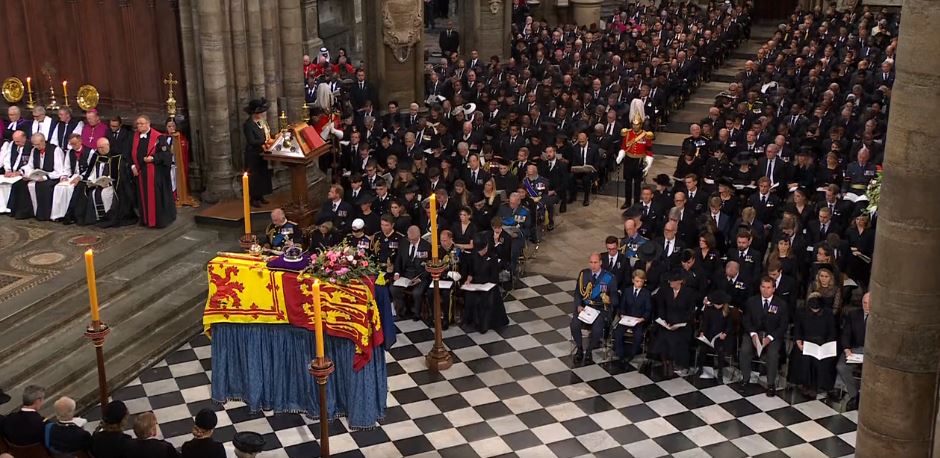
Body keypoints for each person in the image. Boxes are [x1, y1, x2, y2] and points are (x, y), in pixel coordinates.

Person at [738, 277, 789, 397]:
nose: (765, 290)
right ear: (759, 287)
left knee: (772, 354)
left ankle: (771, 384)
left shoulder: (781, 304)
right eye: (763, 287)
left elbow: (783, 326)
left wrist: (769, 338)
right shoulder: (751, 301)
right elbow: (746, 320)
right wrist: (753, 334)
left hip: (773, 336)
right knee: (745, 350)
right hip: (753, 333)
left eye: (768, 287)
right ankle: (745, 379)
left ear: (774, 289)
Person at [569, 253, 619, 364]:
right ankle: (580, 349)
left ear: (600, 263)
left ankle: (589, 351)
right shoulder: (584, 274)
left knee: (597, 329)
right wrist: (578, 305)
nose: (593, 265)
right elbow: (578, 293)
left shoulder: (609, 278)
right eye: (591, 262)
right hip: (585, 307)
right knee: (574, 324)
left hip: (600, 309)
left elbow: (615, 298)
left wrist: (609, 299)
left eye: (595, 262)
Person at [788, 294, 838, 399]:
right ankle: (805, 384)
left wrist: (826, 345)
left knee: (824, 360)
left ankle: (822, 386)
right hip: (806, 342)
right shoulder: (801, 312)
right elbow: (798, 329)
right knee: (802, 357)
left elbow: (832, 332)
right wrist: (798, 341)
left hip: (823, 343)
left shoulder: (828, 314)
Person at [131, 115, 176, 228]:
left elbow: (166, 155)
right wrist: (133, 166)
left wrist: (154, 158)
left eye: (142, 124)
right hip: (141, 172)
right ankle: (145, 219)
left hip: (155, 173)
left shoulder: (158, 137)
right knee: (142, 197)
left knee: (155, 197)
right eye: (138, 124)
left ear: (148, 124)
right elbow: (129, 153)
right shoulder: (135, 136)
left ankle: (157, 221)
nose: (139, 126)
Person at [652, 269, 696, 377]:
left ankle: (681, 364)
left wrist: (679, 323)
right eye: (670, 280)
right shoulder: (665, 290)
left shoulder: (689, 293)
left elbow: (690, 312)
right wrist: (664, 320)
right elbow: (661, 307)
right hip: (667, 322)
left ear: (680, 281)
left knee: (679, 338)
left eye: (673, 281)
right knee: (662, 334)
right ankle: (665, 361)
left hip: (682, 324)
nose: (670, 283)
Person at [14, 132, 68, 221]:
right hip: (37, 176)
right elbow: (30, 165)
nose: (37, 147)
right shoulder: (34, 150)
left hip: (52, 176)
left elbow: (59, 171)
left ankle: (43, 215)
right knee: (20, 184)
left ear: (43, 141)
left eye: (38, 144)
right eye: (34, 145)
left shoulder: (55, 150)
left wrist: (45, 177)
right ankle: (26, 212)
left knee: (43, 186)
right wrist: (25, 173)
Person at [461, 234, 508, 333]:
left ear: (486, 247)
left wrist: (485, 284)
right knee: (469, 296)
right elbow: (471, 272)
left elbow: (494, 277)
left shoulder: (493, 257)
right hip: (476, 283)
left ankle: (484, 324)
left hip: (489, 284)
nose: (480, 253)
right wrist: (468, 280)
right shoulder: (473, 255)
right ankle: (470, 321)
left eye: (482, 250)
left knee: (486, 299)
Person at [836, 292, 869, 410]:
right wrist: (846, 349)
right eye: (865, 303)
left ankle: (868, 399)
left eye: (870, 303)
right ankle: (854, 395)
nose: (867, 306)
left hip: (872, 352)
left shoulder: (880, 318)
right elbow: (846, 333)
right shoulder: (853, 314)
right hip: (855, 349)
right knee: (841, 366)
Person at [51, 133, 95, 222]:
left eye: (75, 144)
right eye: (71, 144)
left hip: (85, 176)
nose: (73, 146)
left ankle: (70, 214)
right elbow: (67, 167)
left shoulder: (90, 152)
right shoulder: (70, 152)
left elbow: (91, 168)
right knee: (58, 187)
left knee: (70, 188)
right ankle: (58, 214)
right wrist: (64, 176)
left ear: (80, 141)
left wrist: (80, 177)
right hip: (72, 176)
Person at [612, 269, 652, 366]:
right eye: (637, 281)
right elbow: (622, 306)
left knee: (638, 336)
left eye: (641, 281)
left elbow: (648, 310)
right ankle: (620, 355)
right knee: (618, 333)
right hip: (626, 319)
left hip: (638, 320)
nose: (639, 283)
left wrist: (642, 318)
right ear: (633, 280)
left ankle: (631, 355)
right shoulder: (627, 291)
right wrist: (622, 314)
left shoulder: (646, 294)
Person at [392, 225, 431, 320]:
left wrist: (420, 279)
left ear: (419, 236)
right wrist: (397, 273)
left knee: (417, 293)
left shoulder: (426, 246)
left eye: (414, 240)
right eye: (410, 239)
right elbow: (398, 260)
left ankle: (416, 313)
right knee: (394, 289)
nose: (411, 242)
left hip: (420, 276)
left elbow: (429, 266)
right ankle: (403, 310)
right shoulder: (404, 243)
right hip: (406, 274)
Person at [617, 111, 654, 208]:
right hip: (629, 160)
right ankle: (627, 202)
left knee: (637, 184)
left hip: (639, 161)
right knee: (627, 183)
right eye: (633, 124)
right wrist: (620, 155)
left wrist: (648, 164)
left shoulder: (646, 135)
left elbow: (649, 151)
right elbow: (623, 146)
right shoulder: (627, 133)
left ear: (641, 125)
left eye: (637, 125)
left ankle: (637, 203)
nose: (635, 126)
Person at [697, 290, 734, 383]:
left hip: (721, 336)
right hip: (709, 335)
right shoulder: (708, 309)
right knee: (702, 348)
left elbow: (730, 325)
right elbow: (705, 323)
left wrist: (725, 333)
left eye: (719, 305)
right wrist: (702, 332)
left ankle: (720, 373)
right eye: (716, 304)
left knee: (720, 350)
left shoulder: (728, 311)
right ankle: (700, 368)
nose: (717, 306)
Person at [243, 98, 273, 208]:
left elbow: (267, 134)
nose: (263, 114)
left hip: (262, 153)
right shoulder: (248, 125)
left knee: (262, 175)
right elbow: (251, 141)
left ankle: (260, 196)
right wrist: (265, 141)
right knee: (254, 177)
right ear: (255, 113)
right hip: (253, 155)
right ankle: (253, 198)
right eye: (260, 112)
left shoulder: (261, 122)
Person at [0, 130, 30, 215]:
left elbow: (30, 163)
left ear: (24, 138)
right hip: (11, 172)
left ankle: (12, 208)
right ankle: (2, 207)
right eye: (15, 141)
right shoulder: (12, 144)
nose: (16, 143)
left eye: (18, 141)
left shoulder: (30, 146)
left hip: (22, 173)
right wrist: (8, 170)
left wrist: (20, 172)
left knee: (18, 183)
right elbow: (7, 158)